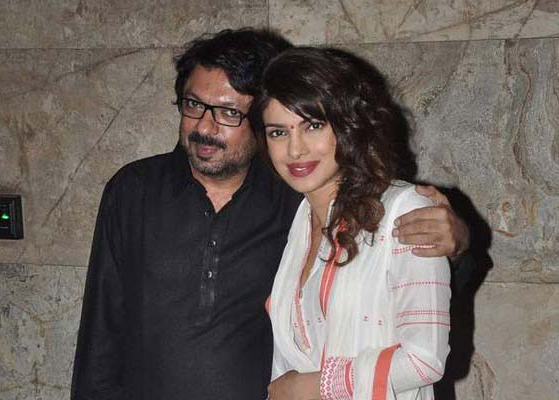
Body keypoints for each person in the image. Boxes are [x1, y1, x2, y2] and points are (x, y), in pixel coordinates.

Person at [71, 29, 468, 400]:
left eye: (228, 113)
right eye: (194, 105)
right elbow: (101, 332)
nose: (205, 126)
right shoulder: (134, 190)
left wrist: (457, 243)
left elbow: (413, 297)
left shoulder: (293, 196)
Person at [250, 46, 451, 399]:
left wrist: (312, 386)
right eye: (278, 132)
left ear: (347, 125)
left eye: (313, 126)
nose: (295, 150)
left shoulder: (402, 210)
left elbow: (425, 359)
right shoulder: (300, 222)